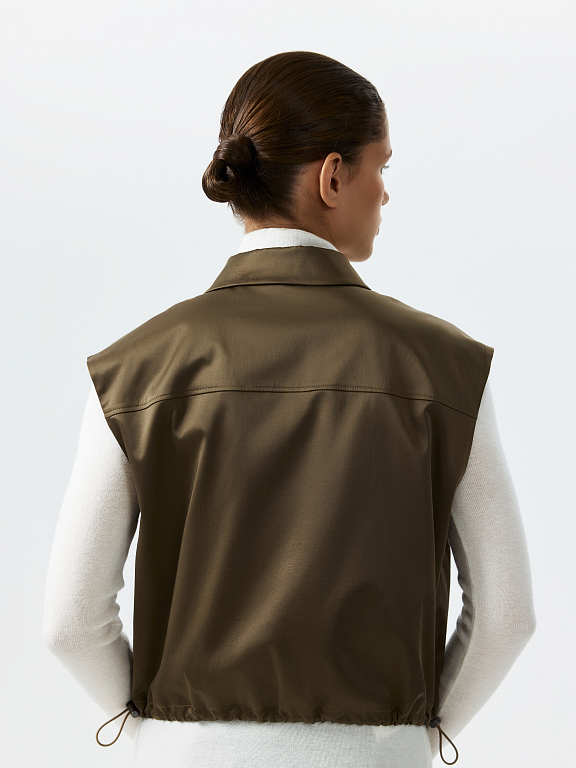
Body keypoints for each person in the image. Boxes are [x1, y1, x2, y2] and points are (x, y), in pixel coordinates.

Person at [42, 51, 537, 768]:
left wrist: (165, 732)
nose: (386, 192)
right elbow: (507, 616)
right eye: (381, 167)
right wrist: (417, 736)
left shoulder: (133, 369)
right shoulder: (447, 368)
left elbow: (68, 623)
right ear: (332, 177)